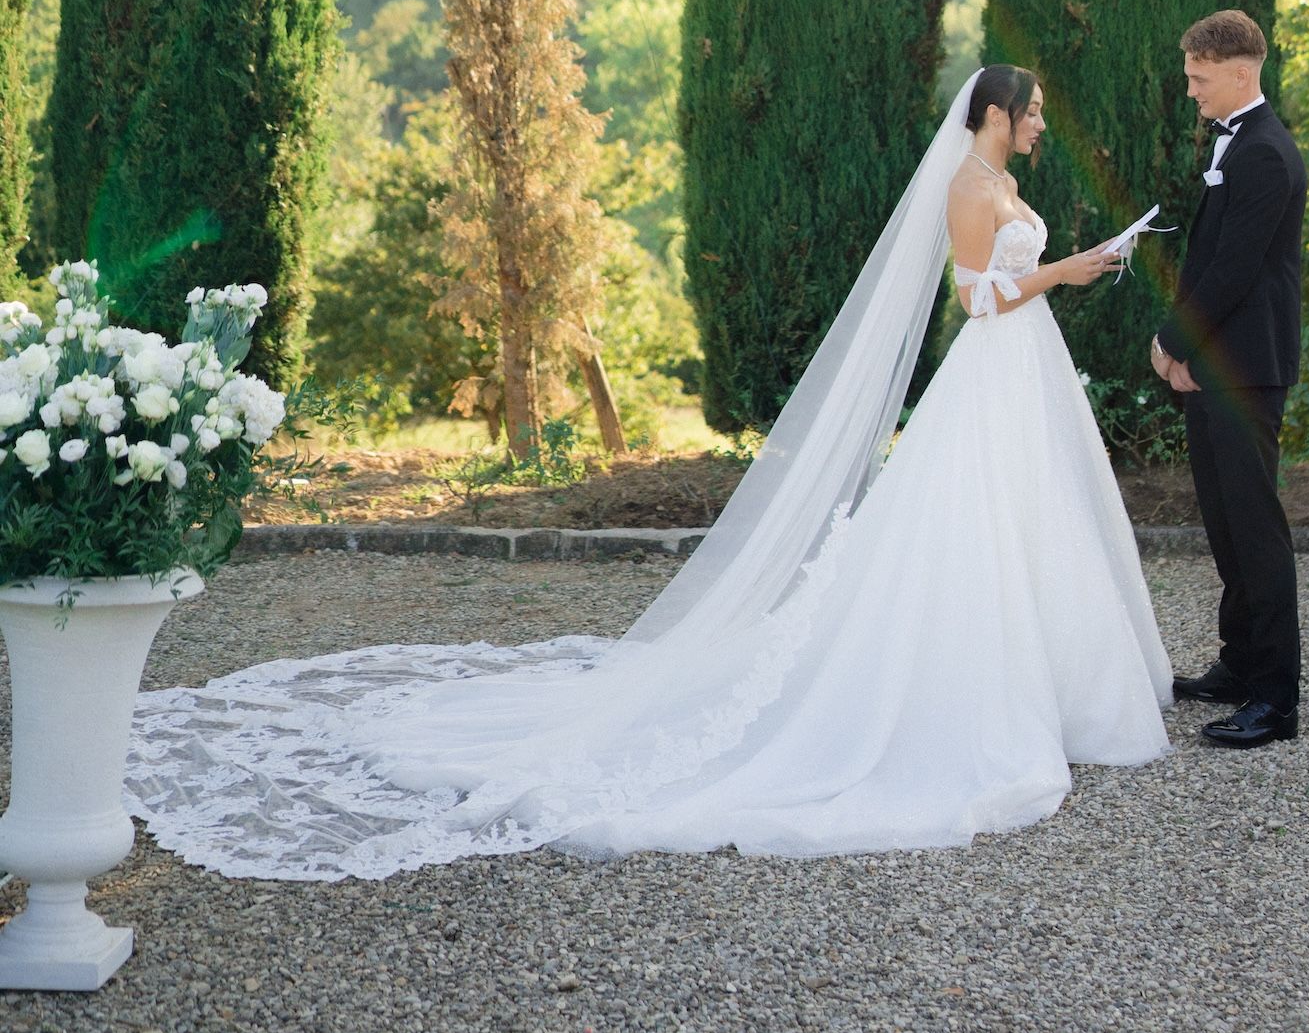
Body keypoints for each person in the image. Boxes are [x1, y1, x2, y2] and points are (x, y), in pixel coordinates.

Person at [125, 67, 1172, 875]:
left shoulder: (1002, 179)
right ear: (996, 112)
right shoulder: (963, 183)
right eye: (1031, 109)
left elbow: (1005, 285)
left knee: (1028, 525)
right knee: (968, 527)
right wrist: (1068, 270)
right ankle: (966, 697)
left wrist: (1060, 269)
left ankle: (1051, 684)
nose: (1040, 121)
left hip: (1024, 376)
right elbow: (976, 302)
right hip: (992, 367)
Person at [1152, 10, 1307, 749]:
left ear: (1240, 72)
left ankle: (1276, 700)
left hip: (1248, 369)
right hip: (1217, 367)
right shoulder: (1235, 145)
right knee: (1223, 526)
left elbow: (1236, 270)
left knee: (1256, 532)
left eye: (1199, 77)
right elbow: (1207, 263)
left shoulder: (1267, 155)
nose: (1190, 91)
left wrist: (1172, 341)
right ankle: (1239, 664)